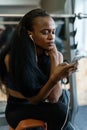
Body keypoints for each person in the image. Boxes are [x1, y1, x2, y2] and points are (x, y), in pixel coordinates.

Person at [0, 8, 78, 130]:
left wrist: (54, 59)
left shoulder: (54, 55)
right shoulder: (12, 58)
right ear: (30, 34)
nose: (51, 37)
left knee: (64, 101)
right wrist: (55, 78)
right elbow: (35, 99)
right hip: (18, 109)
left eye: (53, 32)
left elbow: (53, 98)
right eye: (45, 32)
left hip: (42, 104)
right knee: (61, 112)